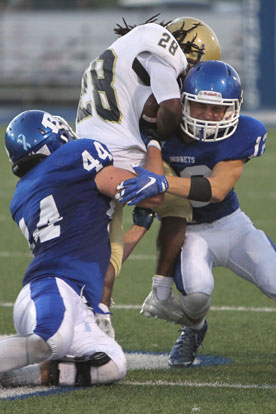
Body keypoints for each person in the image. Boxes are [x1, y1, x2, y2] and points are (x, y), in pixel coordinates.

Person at [116, 60, 276, 367]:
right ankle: (194, 328)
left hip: (233, 225)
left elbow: (217, 189)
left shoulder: (244, 132)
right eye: (201, 106)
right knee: (196, 295)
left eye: (218, 109)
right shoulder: (162, 131)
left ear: (234, 109)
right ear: (184, 102)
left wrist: (162, 182)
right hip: (190, 233)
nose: (210, 116)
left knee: (272, 278)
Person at [75, 14, 221, 334]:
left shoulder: (122, 51)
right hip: (118, 153)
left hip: (87, 151)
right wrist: (157, 138)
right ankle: (94, 328)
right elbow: (169, 107)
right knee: (157, 195)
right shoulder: (161, 47)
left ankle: (148, 294)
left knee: (113, 248)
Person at [0, 109, 163, 387]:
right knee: (52, 339)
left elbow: (101, 255)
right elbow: (146, 191)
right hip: (51, 286)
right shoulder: (77, 156)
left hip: (77, 299)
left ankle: (23, 375)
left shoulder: (25, 192)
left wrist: (139, 226)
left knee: (112, 363)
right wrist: (155, 149)